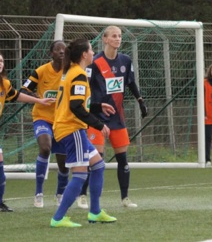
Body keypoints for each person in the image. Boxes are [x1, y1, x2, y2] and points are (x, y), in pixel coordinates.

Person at [78, 26, 148, 209]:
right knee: (96, 158)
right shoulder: (95, 62)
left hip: (117, 118)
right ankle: (83, 195)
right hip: (96, 118)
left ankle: (125, 198)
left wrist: (140, 100)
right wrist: (93, 108)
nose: (118, 39)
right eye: (114, 36)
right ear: (105, 39)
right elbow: (84, 88)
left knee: (123, 159)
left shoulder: (125, 60)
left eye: (119, 36)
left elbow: (131, 82)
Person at [50, 39, 117, 227]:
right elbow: (76, 107)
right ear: (84, 55)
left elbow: (76, 102)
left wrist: (96, 106)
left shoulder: (71, 72)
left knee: (98, 166)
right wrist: (98, 124)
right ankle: (58, 218)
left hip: (69, 127)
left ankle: (95, 212)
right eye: (91, 49)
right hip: (72, 129)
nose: (93, 52)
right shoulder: (78, 74)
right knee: (80, 175)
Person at [0, 52, 55, 212]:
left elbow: (17, 96)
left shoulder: (4, 84)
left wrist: (39, 100)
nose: (0, 63)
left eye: (2, 60)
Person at [20, 40, 70, 208]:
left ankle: (60, 193)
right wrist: (38, 99)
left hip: (62, 121)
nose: (62, 52)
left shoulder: (70, 72)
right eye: (58, 49)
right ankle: (39, 193)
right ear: (51, 53)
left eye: (64, 49)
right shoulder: (41, 71)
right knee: (45, 147)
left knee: (63, 161)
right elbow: (23, 90)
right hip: (42, 117)